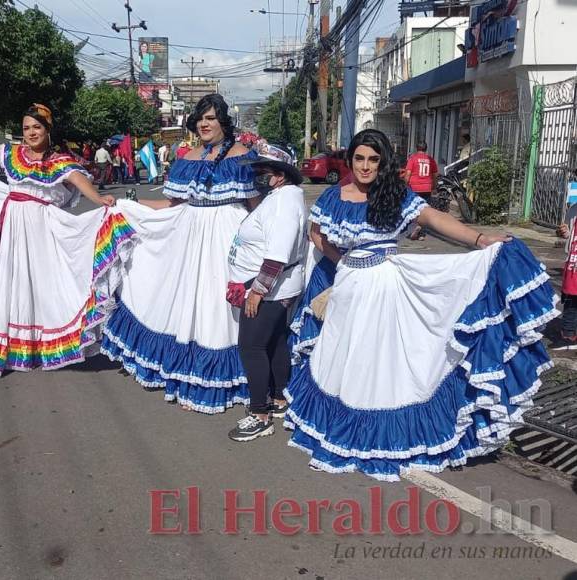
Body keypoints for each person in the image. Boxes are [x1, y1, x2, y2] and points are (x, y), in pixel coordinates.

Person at [284, 129, 558, 481]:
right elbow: (316, 234)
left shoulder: (394, 193)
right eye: (359, 159)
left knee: (377, 361)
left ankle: (381, 432)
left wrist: (479, 239)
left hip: (383, 287)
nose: (366, 166)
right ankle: (341, 425)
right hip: (348, 289)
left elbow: (432, 218)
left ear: (382, 163)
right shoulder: (333, 196)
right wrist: (343, 263)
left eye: (373, 160)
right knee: (342, 357)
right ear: (350, 160)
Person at [0, 104, 135, 376]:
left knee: (43, 284)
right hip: (13, 229)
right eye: (26, 128)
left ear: (47, 130)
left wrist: (99, 199)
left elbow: (79, 180)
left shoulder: (59, 161)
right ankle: (14, 346)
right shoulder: (12, 153)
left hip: (43, 230)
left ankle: (44, 344)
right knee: (13, 281)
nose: (31, 133)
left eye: (37, 127)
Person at [102, 94, 260, 413]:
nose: (204, 123)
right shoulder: (187, 156)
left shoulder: (244, 156)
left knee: (220, 306)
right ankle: (188, 372)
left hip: (228, 239)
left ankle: (229, 377)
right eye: (201, 118)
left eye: (211, 118)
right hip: (189, 238)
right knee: (189, 300)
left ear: (223, 122)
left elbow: (258, 208)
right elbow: (172, 205)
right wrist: (129, 206)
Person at [226, 143, 308, 441]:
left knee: (251, 346)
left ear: (281, 174)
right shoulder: (279, 198)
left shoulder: (284, 202)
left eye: (263, 170)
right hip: (273, 286)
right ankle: (277, 398)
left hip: (270, 289)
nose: (258, 175)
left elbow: (278, 253)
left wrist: (258, 290)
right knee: (273, 342)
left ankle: (260, 414)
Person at [404, 141, 438, 240]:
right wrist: (434, 187)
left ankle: (414, 228)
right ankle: (421, 234)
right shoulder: (430, 160)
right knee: (424, 210)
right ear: (426, 149)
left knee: (412, 209)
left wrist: (405, 185)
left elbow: (408, 174)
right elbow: (435, 175)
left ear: (416, 148)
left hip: (414, 188)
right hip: (426, 188)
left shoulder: (413, 158)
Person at [557, 207, 577, 343]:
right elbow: (568, 235)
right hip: (573, 263)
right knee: (572, 300)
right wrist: (563, 233)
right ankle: (568, 333)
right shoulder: (573, 210)